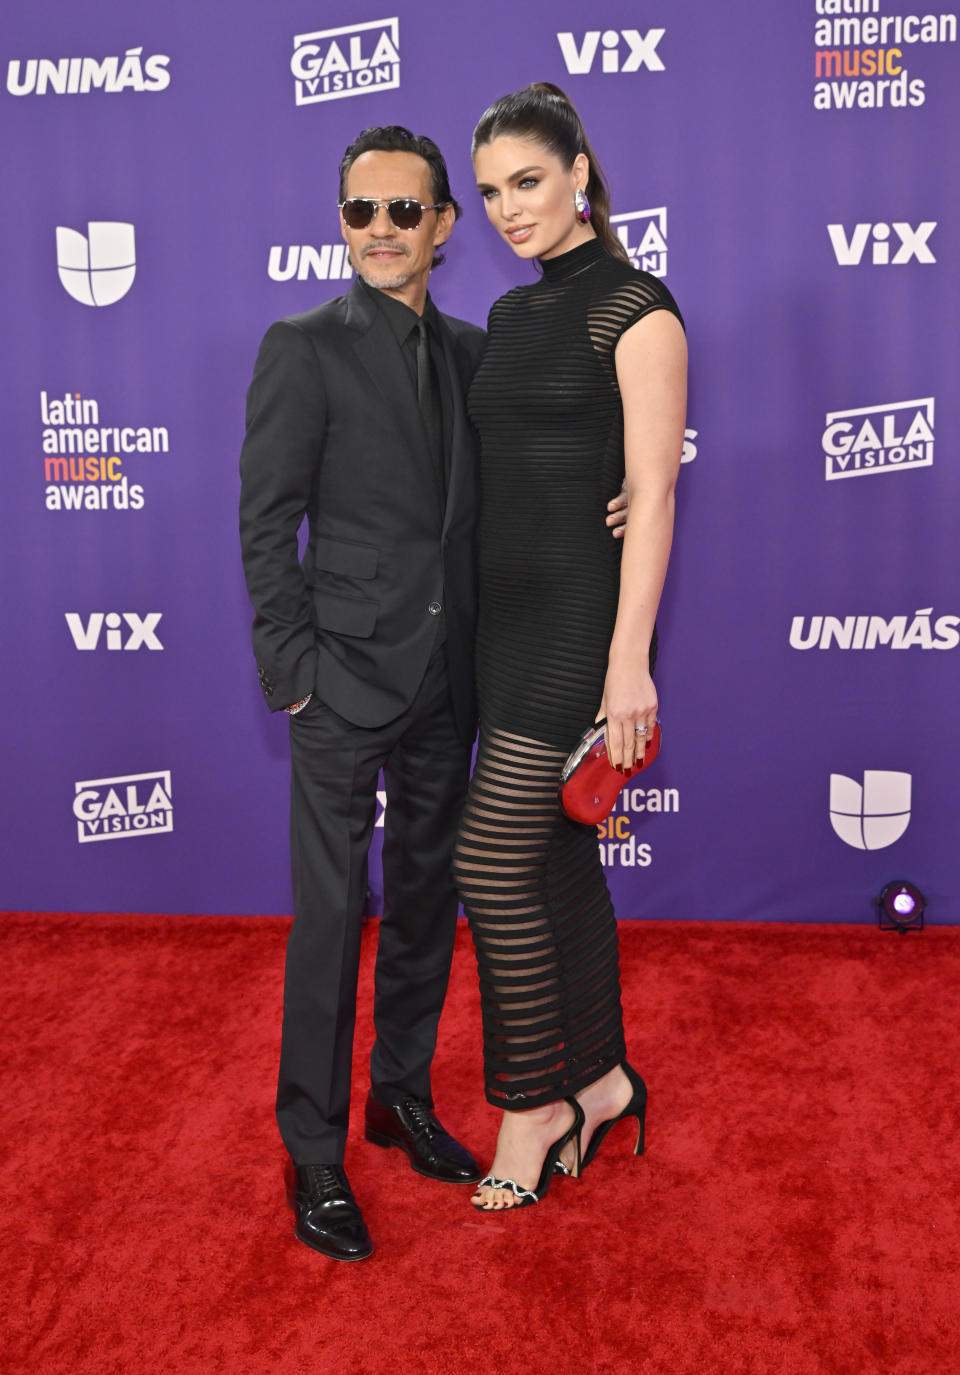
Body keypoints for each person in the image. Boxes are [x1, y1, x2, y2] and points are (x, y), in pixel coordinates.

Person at [239, 123, 632, 1259]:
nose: (378, 231)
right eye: (359, 211)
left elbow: (534, 478)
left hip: (451, 681)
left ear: (443, 226)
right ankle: (314, 1151)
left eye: (402, 212)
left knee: (424, 900)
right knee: (330, 921)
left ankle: (398, 1095)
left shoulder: (477, 352)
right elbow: (267, 524)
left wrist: (614, 497)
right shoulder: (300, 345)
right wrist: (296, 672)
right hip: (343, 681)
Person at [452, 84, 687, 1211]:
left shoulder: (637, 311)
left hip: (577, 631)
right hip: (502, 626)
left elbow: (651, 498)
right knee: (554, 864)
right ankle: (601, 1081)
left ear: (580, 171)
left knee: (487, 864)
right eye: (492, 190)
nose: (509, 207)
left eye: (528, 181)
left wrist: (627, 661)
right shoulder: (509, 317)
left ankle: (530, 1103)